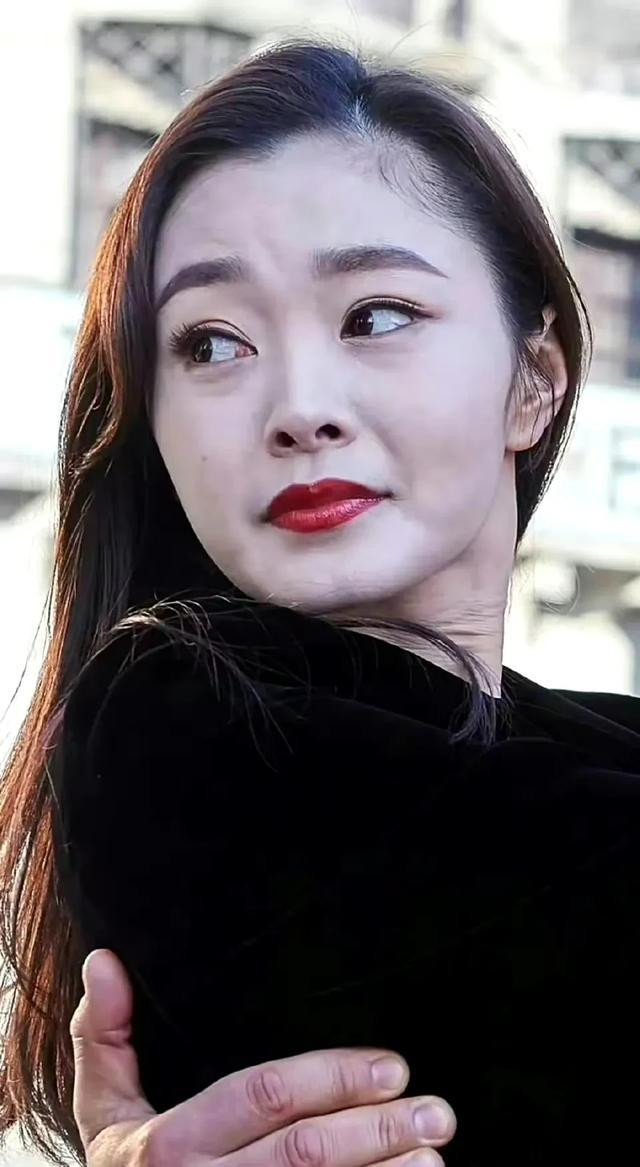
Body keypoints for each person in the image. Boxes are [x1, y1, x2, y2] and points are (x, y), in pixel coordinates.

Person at [1, 35, 639, 1167]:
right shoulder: (179, 721)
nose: (300, 407)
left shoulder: (588, 746)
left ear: (533, 382)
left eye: (375, 316)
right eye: (213, 342)